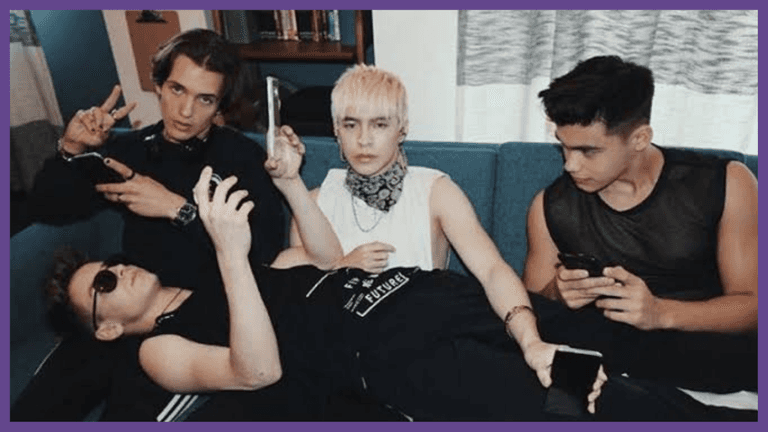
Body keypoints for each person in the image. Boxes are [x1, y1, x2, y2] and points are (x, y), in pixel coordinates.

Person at [265, 64, 606, 420]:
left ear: (402, 128)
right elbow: (303, 299)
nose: (364, 140)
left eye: (379, 124)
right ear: (336, 130)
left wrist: (530, 341)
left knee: (569, 381)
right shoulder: (314, 201)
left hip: (434, 343)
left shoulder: (435, 190)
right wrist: (341, 267)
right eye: (351, 125)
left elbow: (492, 271)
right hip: (362, 365)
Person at [14, 28, 285, 421]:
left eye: (204, 99)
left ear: (219, 105)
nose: (186, 111)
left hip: (194, 314)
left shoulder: (241, 156)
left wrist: (178, 209)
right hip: (122, 303)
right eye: (177, 90)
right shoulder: (130, 150)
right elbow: (47, 209)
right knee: (38, 406)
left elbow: (266, 252)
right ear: (158, 85)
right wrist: (71, 149)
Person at [523, 55, 758, 393]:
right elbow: (529, 311)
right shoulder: (550, 206)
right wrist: (556, 293)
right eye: (564, 147)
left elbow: (753, 309)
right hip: (605, 357)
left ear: (639, 138)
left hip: (705, 353)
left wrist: (660, 313)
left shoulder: (727, 182)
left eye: (588, 151)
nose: (570, 165)